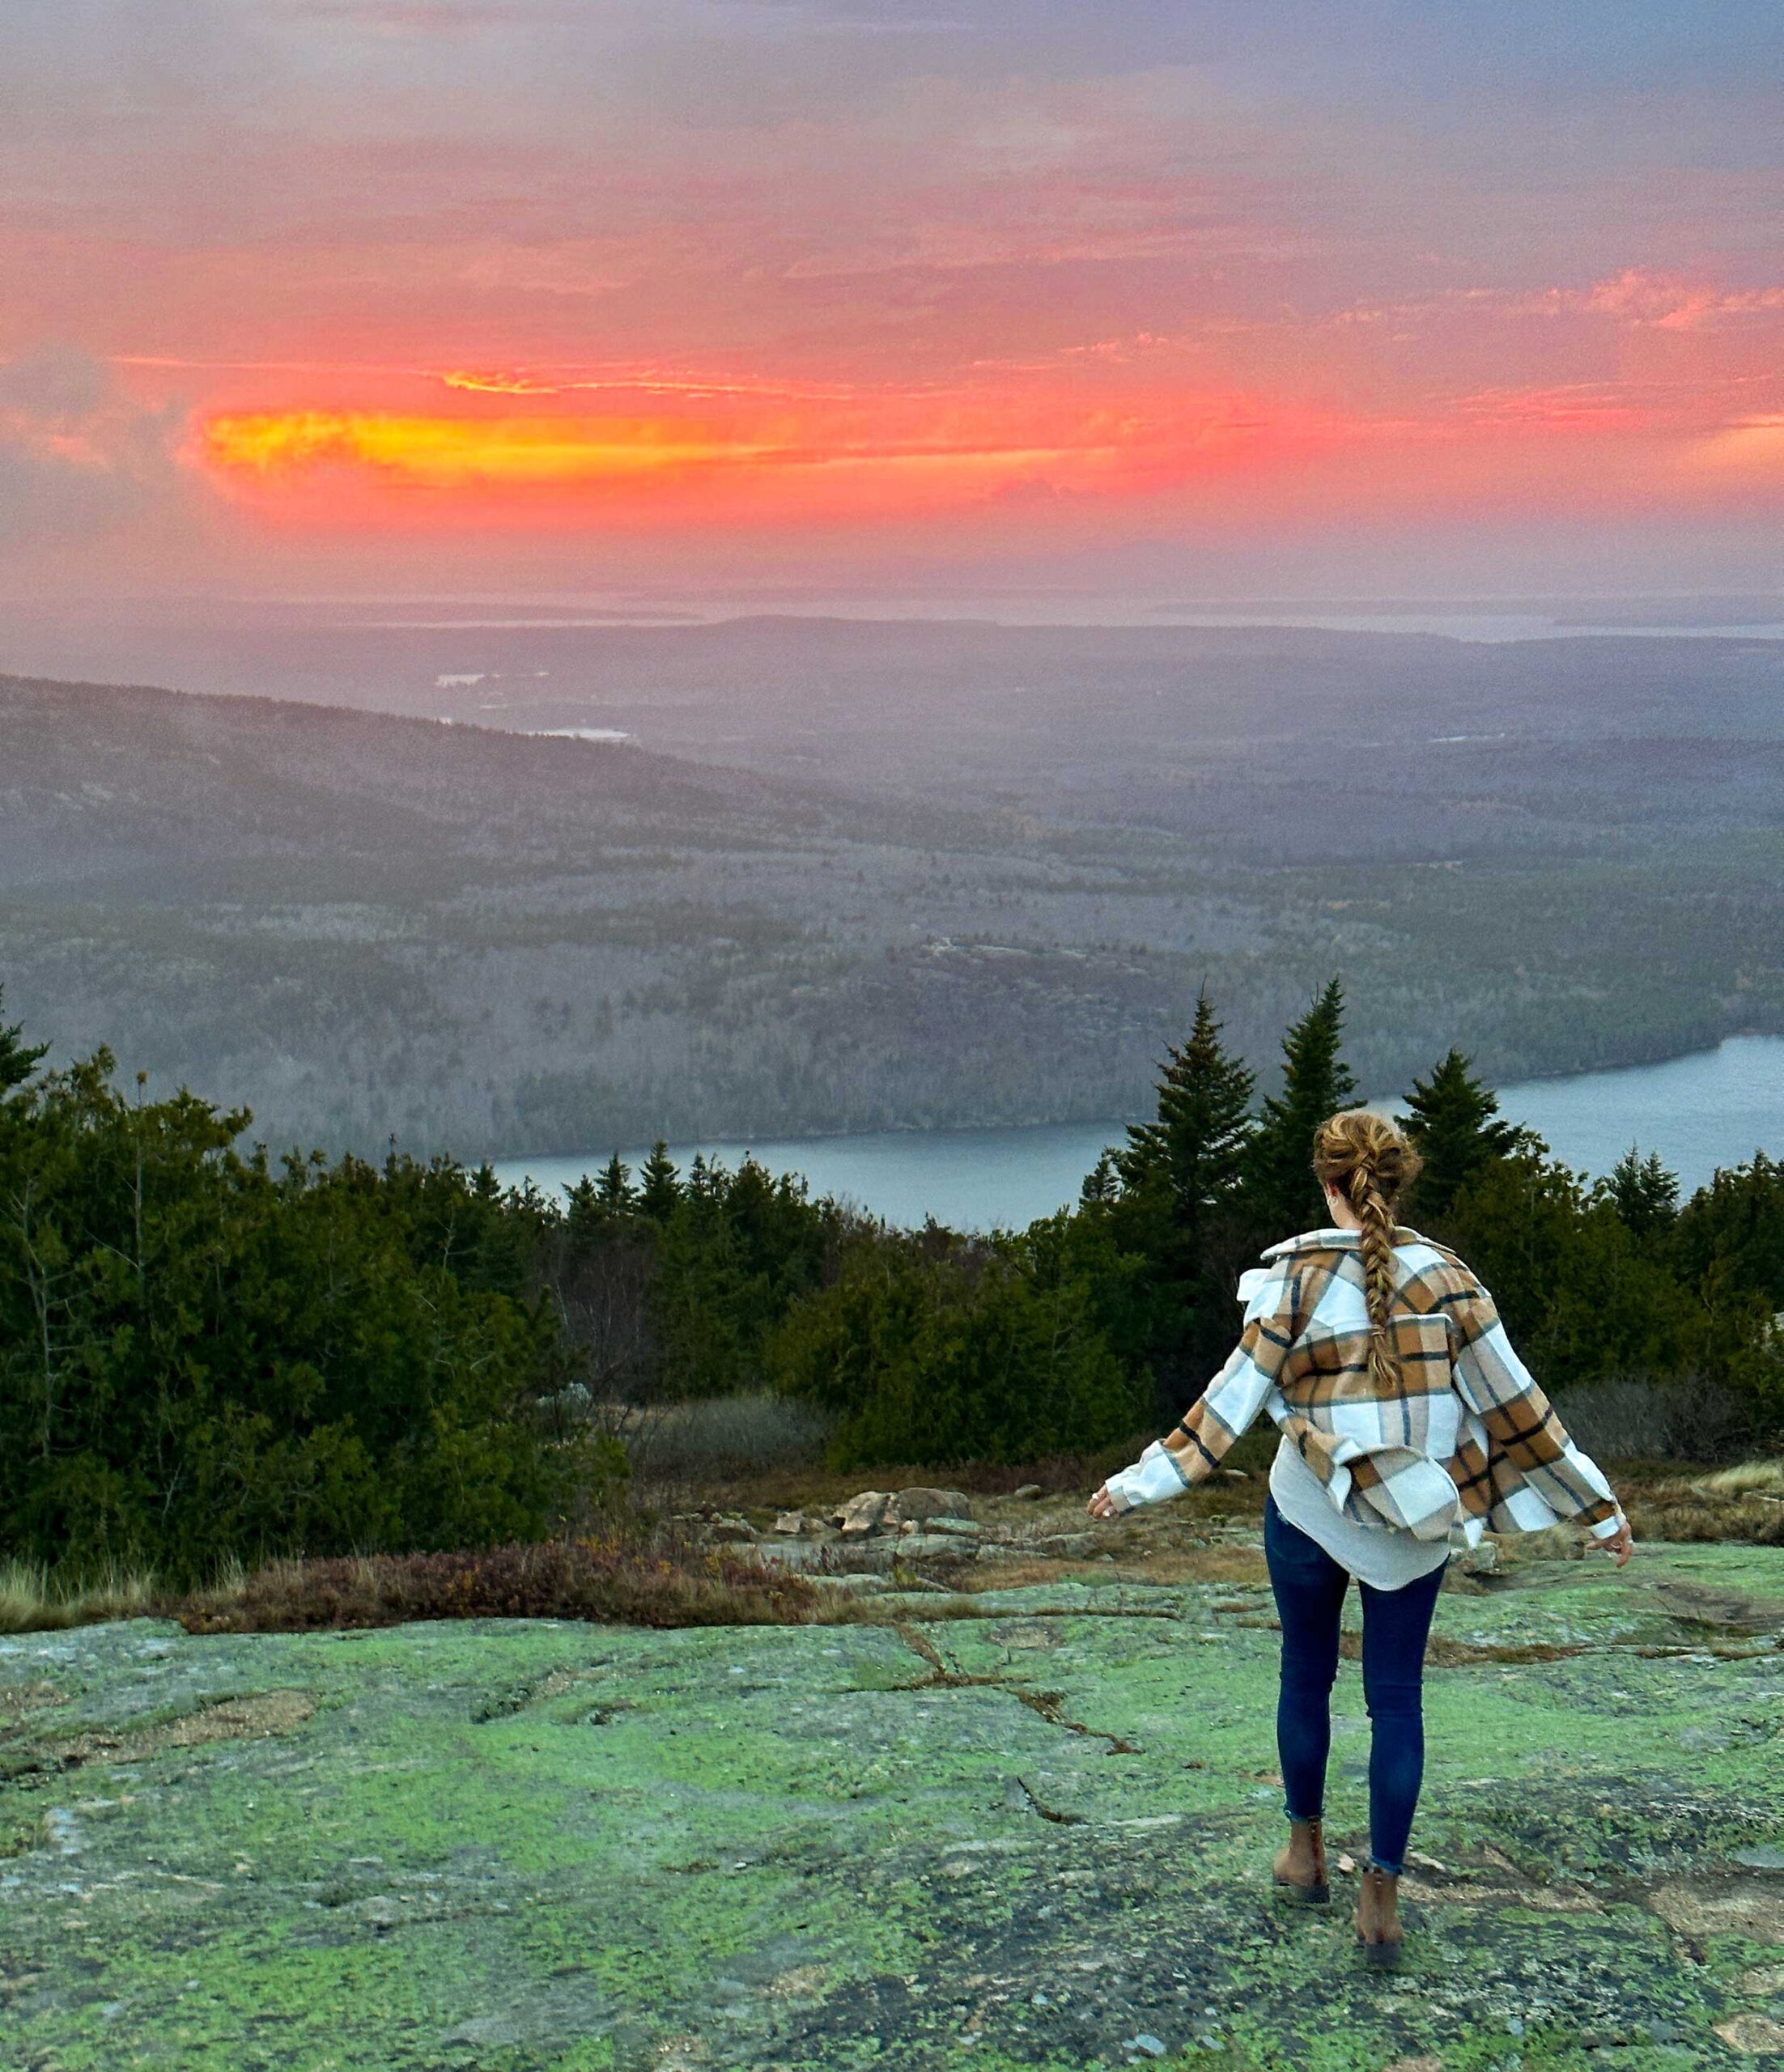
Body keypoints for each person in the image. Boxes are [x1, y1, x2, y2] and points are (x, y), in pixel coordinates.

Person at [1088, 1109, 1633, 1968]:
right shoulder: (1452, 1281)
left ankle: (1303, 1859)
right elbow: (1517, 1406)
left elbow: (1231, 1398)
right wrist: (1595, 1507)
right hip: (1411, 1525)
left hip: (1305, 1507)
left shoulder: (1292, 1278)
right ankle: (1378, 1902)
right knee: (1396, 1704)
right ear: (1396, 1181)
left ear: (1328, 1184)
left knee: (1304, 1676)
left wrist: (1138, 1483)